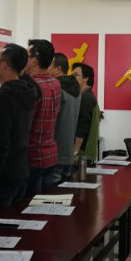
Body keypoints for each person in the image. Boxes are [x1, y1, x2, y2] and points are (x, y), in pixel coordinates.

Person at [0, 44, 38, 211]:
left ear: (5, 65)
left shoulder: (6, 96)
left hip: (4, 175)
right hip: (20, 170)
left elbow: (0, 144)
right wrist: (20, 71)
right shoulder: (28, 91)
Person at [24, 39, 62, 195]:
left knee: (28, 206)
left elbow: (25, 125)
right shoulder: (56, 83)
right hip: (51, 154)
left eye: (26, 56)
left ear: (34, 60)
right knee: (46, 205)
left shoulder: (31, 86)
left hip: (32, 157)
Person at [50, 52, 81, 180]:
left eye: (49, 66)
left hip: (55, 154)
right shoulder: (76, 90)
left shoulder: (58, 89)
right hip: (68, 153)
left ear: (58, 69)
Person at [73, 63, 100, 162]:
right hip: (83, 153)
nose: (73, 78)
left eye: (76, 75)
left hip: (82, 154)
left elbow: (82, 127)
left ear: (86, 78)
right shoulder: (85, 96)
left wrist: (75, 152)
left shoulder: (86, 98)